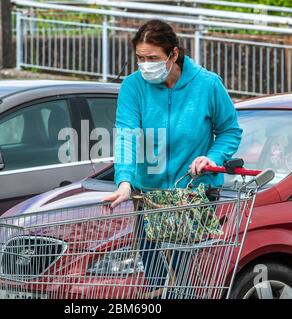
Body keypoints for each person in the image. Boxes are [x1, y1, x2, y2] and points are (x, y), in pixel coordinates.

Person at [103, 19, 243, 298]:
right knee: (156, 278)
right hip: (150, 196)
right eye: (140, 58)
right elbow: (127, 136)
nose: (145, 65)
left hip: (192, 194)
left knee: (181, 277)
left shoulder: (207, 84)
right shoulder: (133, 87)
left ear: (174, 54)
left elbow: (229, 131)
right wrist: (125, 182)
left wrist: (211, 157)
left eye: (152, 58)